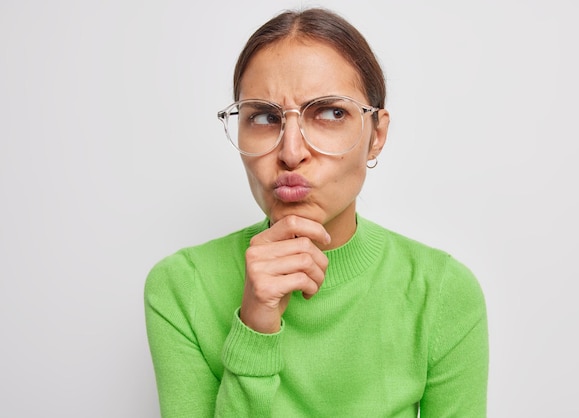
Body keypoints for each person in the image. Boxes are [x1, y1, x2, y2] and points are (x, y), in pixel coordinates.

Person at [144, 7, 488, 417]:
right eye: (265, 117)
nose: (291, 153)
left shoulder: (441, 291)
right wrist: (254, 329)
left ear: (376, 135)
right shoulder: (182, 287)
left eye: (329, 113)